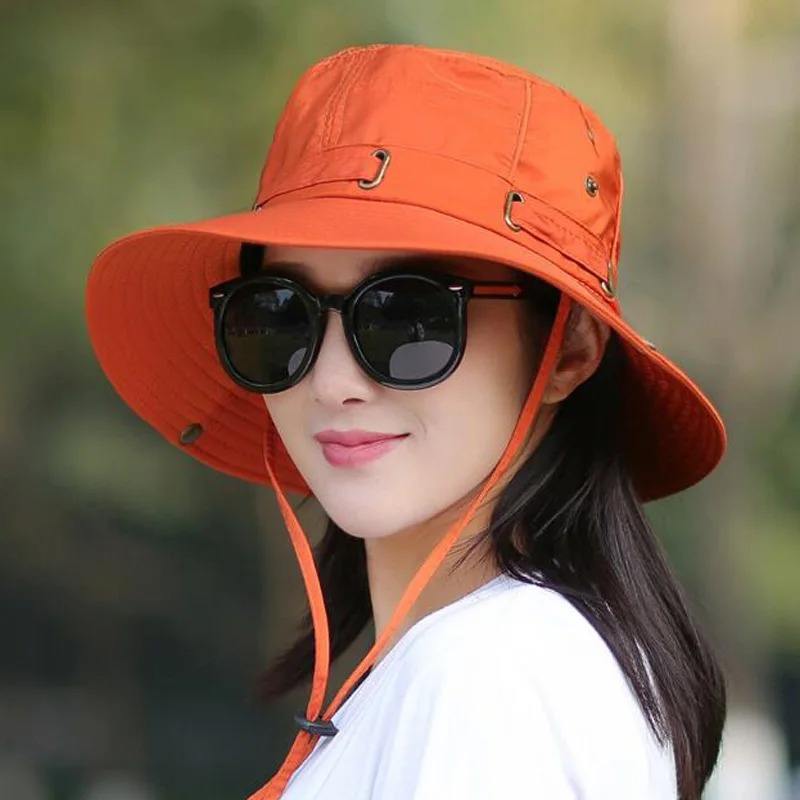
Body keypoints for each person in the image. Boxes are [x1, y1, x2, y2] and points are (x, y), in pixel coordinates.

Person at [85, 42, 728, 799]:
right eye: (280, 316)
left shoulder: (488, 675)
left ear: (568, 350)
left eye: (406, 317)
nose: (331, 382)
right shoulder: (498, 663)